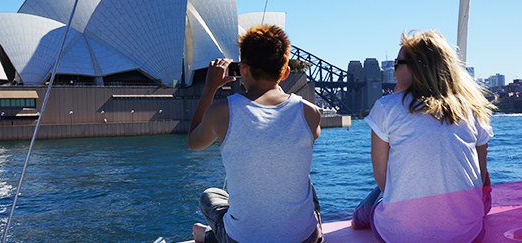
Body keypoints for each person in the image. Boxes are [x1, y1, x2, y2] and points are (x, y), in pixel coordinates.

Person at [351, 30, 493, 242]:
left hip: (399, 236)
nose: (394, 71)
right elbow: (480, 177)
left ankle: (356, 218)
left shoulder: (385, 108)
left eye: (397, 63)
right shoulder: (473, 110)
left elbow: (383, 183)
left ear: (416, 68)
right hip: (468, 236)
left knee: (371, 203)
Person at [187, 25, 323, 243]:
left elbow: (194, 141)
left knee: (209, 197)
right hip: (304, 239)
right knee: (306, 183)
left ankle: (208, 237)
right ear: (286, 71)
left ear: (242, 69)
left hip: (243, 239)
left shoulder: (221, 112)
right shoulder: (311, 113)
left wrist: (210, 88)